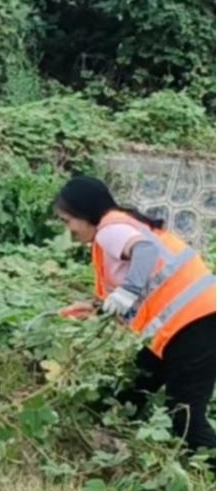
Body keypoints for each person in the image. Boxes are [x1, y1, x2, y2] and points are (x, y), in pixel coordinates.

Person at [54, 176, 215, 456]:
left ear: (84, 213)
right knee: (134, 386)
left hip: (194, 325)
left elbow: (145, 252)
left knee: (186, 420)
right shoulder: (119, 226)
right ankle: (112, 445)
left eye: (67, 221)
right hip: (185, 327)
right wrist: (96, 307)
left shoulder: (109, 230)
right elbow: (143, 288)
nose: (68, 230)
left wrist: (127, 291)